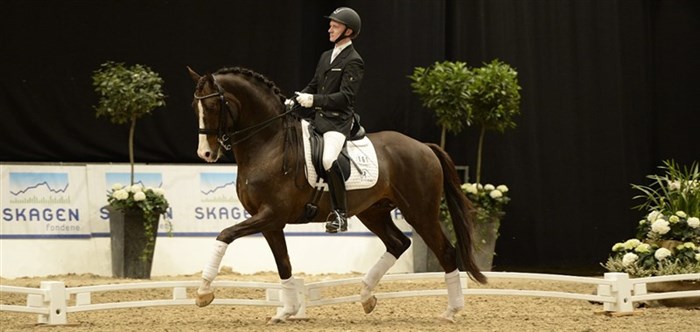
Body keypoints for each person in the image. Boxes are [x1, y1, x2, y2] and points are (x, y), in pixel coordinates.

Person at [295, 7, 364, 233]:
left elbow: (345, 98)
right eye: (330, 25)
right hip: (318, 120)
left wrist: (313, 99)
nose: (330, 29)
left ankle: (340, 214)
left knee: (327, 160)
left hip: (337, 123)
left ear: (348, 31)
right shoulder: (326, 56)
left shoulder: (354, 60)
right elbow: (314, 84)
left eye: (335, 26)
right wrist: (295, 99)